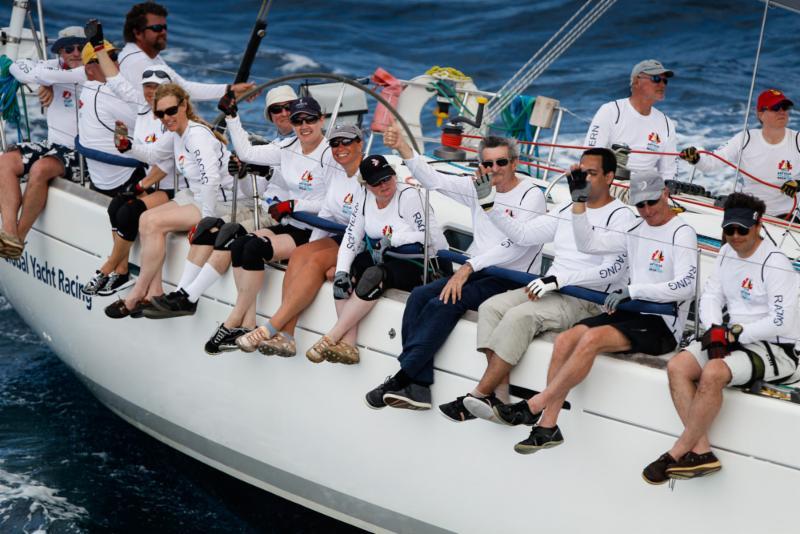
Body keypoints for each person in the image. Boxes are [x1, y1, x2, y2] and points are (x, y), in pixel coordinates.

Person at [495, 171, 698, 454]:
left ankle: (536, 404)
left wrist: (634, 290)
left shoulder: (682, 232)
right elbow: (588, 244)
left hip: (663, 323)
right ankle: (548, 426)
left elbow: (686, 287)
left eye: (652, 202)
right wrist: (578, 205)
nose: (647, 210)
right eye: (640, 205)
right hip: (634, 311)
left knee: (591, 339)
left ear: (665, 193)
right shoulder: (636, 229)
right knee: (566, 340)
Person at [438, 147, 635, 422]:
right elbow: (522, 234)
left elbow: (612, 271)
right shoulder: (568, 208)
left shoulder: (622, 217)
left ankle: (477, 395)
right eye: (581, 173)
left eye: (591, 173)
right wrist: (489, 206)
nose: (584, 179)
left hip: (584, 298)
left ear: (610, 177)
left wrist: (559, 280)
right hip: (550, 288)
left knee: (520, 316)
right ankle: (500, 398)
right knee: (491, 307)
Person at [363, 124, 546, 411]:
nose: (495, 168)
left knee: (445, 301)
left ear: (515, 163)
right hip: (479, 269)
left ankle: (402, 377)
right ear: (481, 165)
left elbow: (517, 245)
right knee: (419, 296)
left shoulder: (530, 195)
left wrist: (468, 267)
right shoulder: (479, 186)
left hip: (511, 277)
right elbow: (434, 181)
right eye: (488, 163)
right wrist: (404, 149)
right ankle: (419, 386)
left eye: (501, 162)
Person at [642, 192, 799, 484]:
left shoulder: (777, 264)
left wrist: (732, 335)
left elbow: (781, 321)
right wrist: (715, 328)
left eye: (742, 229)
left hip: (779, 348)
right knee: (678, 367)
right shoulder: (727, 252)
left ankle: (676, 452)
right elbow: (712, 294)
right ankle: (702, 453)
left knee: (713, 371)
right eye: (729, 230)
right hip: (733, 338)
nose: (735, 236)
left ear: (758, 225)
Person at [143, 94, 331, 318]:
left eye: (309, 119)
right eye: (298, 121)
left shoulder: (330, 154)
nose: (303, 126)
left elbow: (332, 204)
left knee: (234, 238)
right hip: (282, 217)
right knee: (209, 227)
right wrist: (232, 116)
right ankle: (183, 293)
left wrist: (293, 203)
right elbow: (247, 153)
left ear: (322, 119)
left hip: (311, 228)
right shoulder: (286, 146)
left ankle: (196, 300)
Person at [223, 123, 364, 356]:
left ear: (360, 144)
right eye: (335, 143)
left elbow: (362, 227)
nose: (340, 148)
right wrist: (308, 249)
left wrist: (342, 267)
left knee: (315, 263)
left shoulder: (365, 177)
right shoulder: (338, 174)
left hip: (363, 243)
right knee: (300, 255)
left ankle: (270, 328)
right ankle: (287, 337)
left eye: (347, 142)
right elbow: (326, 214)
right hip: (342, 237)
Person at [103, 83, 235, 318]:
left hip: (218, 201)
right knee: (145, 219)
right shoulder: (177, 134)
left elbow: (211, 179)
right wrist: (128, 145)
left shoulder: (196, 136)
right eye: (160, 114)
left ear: (184, 105)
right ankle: (154, 292)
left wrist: (207, 219)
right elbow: (153, 154)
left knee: (153, 223)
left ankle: (137, 295)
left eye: (171, 111)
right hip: (195, 195)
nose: (166, 118)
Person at [302, 154, 450, 364]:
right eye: (376, 182)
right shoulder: (363, 196)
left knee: (373, 274)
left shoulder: (408, 197)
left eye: (387, 178)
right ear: (366, 185)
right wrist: (343, 270)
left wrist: (394, 239)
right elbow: (352, 236)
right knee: (341, 276)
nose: (384, 185)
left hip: (421, 262)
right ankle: (349, 344)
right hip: (387, 257)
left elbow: (432, 238)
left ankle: (332, 336)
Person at [80, 19, 176, 296]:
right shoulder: (144, 110)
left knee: (130, 210)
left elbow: (164, 163)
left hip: (172, 187)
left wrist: (140, 184)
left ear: (169, 92)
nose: (150, 92)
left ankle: (108, 268)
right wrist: (98, 45)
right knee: (116, 207)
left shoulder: (172, 120)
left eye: (156, 88)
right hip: (153, 182)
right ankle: (121, 271)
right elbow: (116, 81)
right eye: (147, 86)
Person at [0, 27, 87, 258]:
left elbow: (59, 76)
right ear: (60, 52)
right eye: (69, 48)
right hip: (53, 146)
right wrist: (45, 81)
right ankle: (8, 232)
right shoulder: (52, 67)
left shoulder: (96, 72)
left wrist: (45, 80)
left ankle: (18, 238)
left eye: (82, 47)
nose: (76, 52)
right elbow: (18, 67)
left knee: (41, 169)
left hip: (83, 153)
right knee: (6, 161)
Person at [679, 89, 800, 219]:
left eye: (786, 107)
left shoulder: (798, 140)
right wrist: (696, 159)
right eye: (776, 108)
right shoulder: (745, 139)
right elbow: (711, 164)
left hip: (786, 215)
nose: (782, 112)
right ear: (760, 114)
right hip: (749, 210)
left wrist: (798, 184)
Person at [118, 2, 253, 101]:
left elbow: (183, 88)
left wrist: (230, 90)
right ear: (137, 32)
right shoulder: (138, 61)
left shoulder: (149, 57)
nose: (163, 32)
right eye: (157, 28)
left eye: (165, 27)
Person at [584, 59, 678, 200]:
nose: (662, 85)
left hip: (647, 189)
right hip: (612, 185)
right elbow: (589, 158)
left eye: (665, 81)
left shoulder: (667, 124)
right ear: (636, 81)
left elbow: (669, 173)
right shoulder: (610, 111)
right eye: (656, 79)